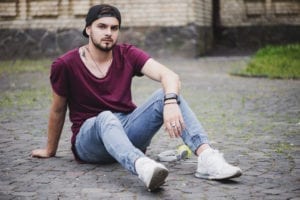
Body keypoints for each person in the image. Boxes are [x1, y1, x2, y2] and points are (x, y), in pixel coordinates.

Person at [31, 4, 242, 191]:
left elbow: (169, 76)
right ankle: (142, 166)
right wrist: (50, 149)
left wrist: (169, 102)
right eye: (101, 26)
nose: (108, 33)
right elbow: (58, 109)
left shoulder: (126, 54)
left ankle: (207, 158)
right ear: (88, 29)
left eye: (114, 28)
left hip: (126, 132)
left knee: (166, 94)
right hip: (89, 140)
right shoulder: (65, 64)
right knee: (106, 117)